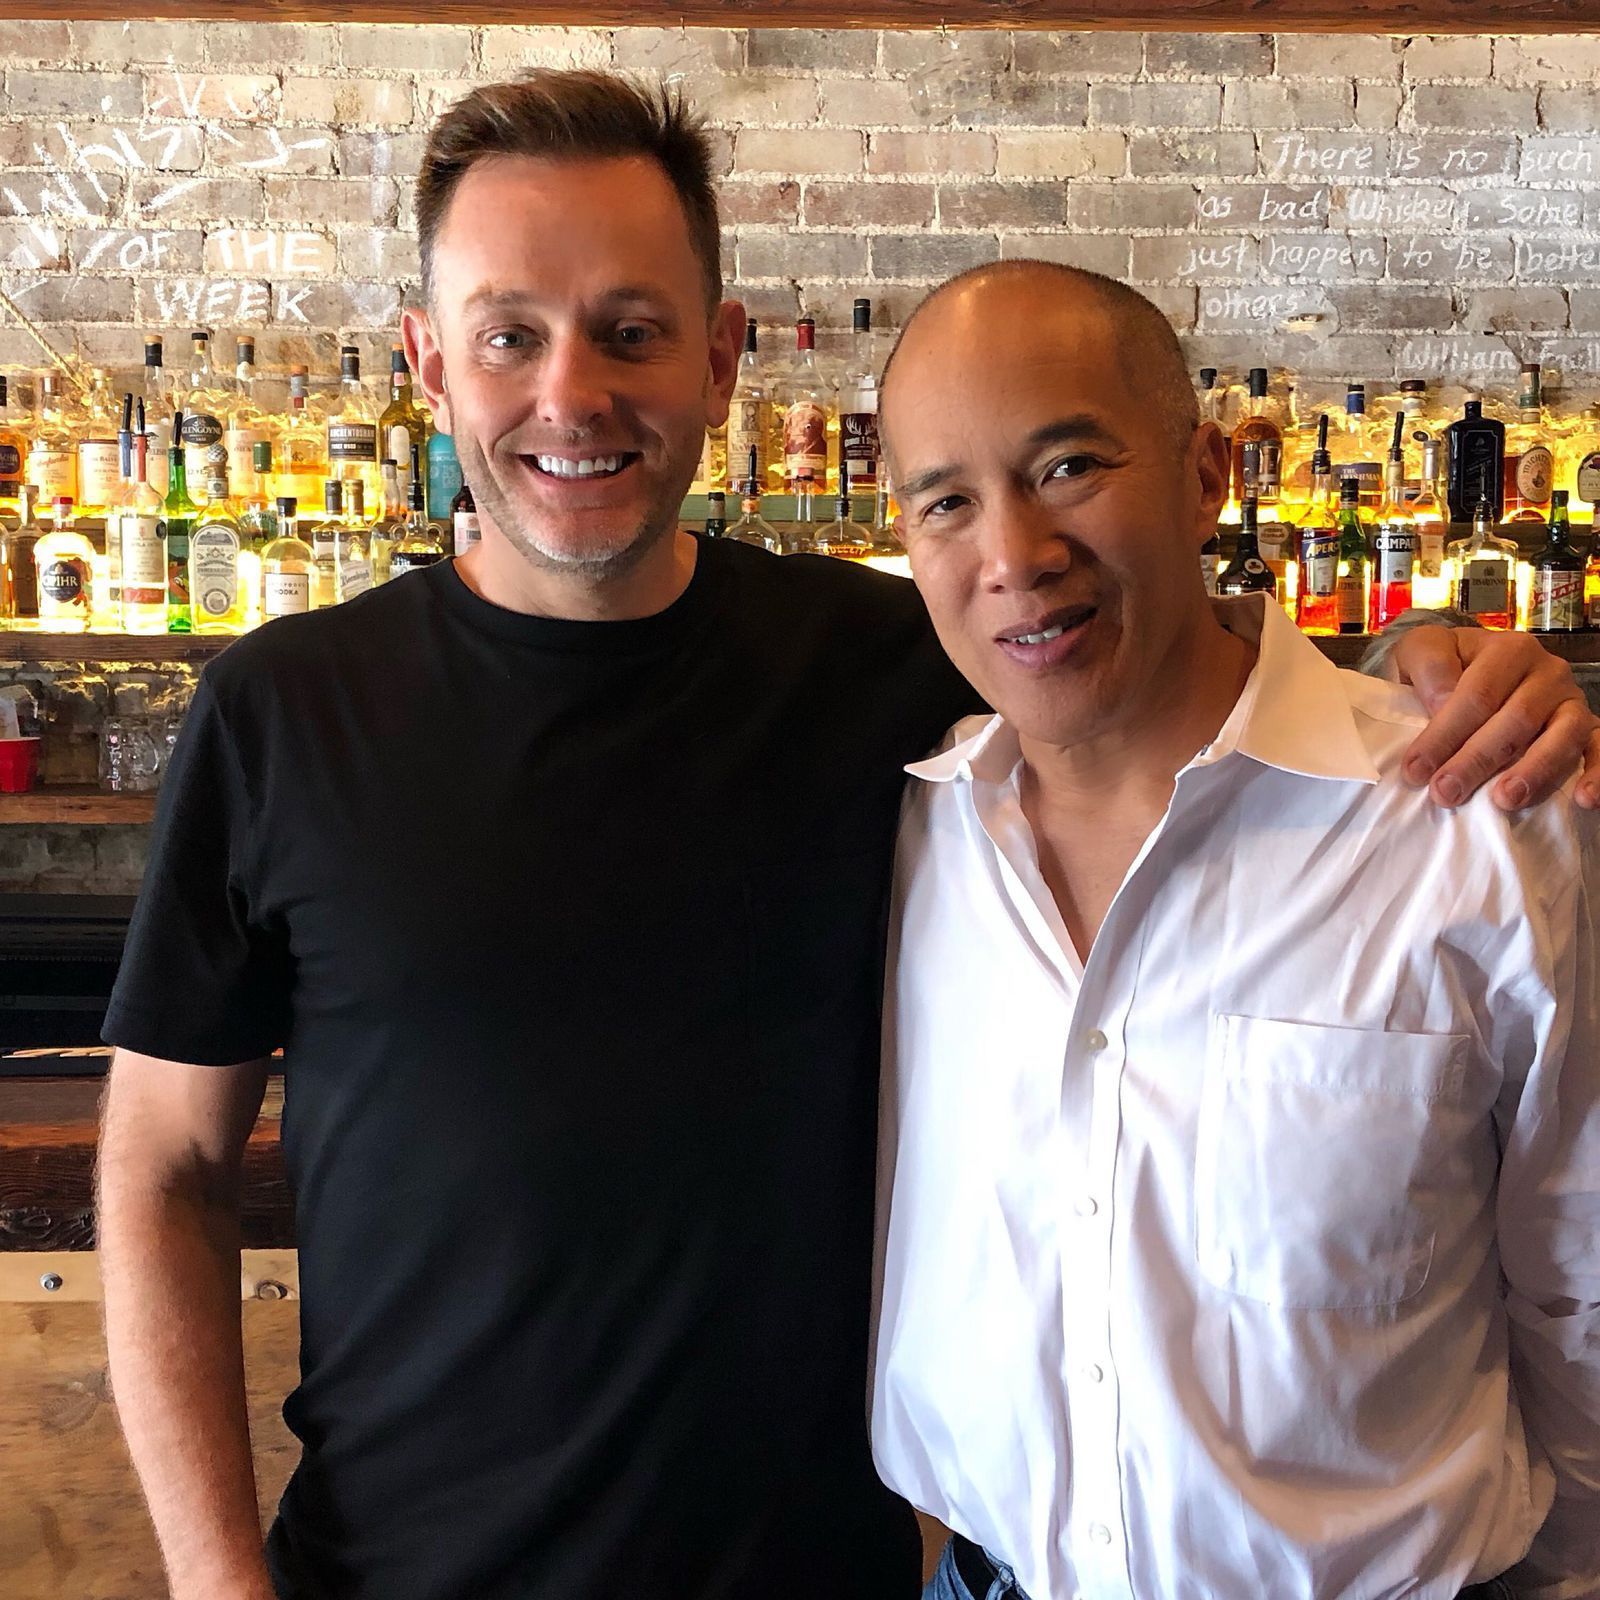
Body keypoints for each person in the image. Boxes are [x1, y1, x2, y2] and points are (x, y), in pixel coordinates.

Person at [94, 72, 1596, 1600]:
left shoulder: (889, 669)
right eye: (509, 336)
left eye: (631, 330)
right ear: (428, 362)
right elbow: (162, 1166)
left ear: (721, 357)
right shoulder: (281, 711)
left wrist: (1425, 664)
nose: (572, 394)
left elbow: (1168, 685)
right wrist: (218, 1586)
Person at [870, 261, 1600, 1600]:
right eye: (947, 502)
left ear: (1208, 475)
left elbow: (1584, 1290)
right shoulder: (905, 839)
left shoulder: (1477, 829)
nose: (1015, 556)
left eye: (1070, 466)